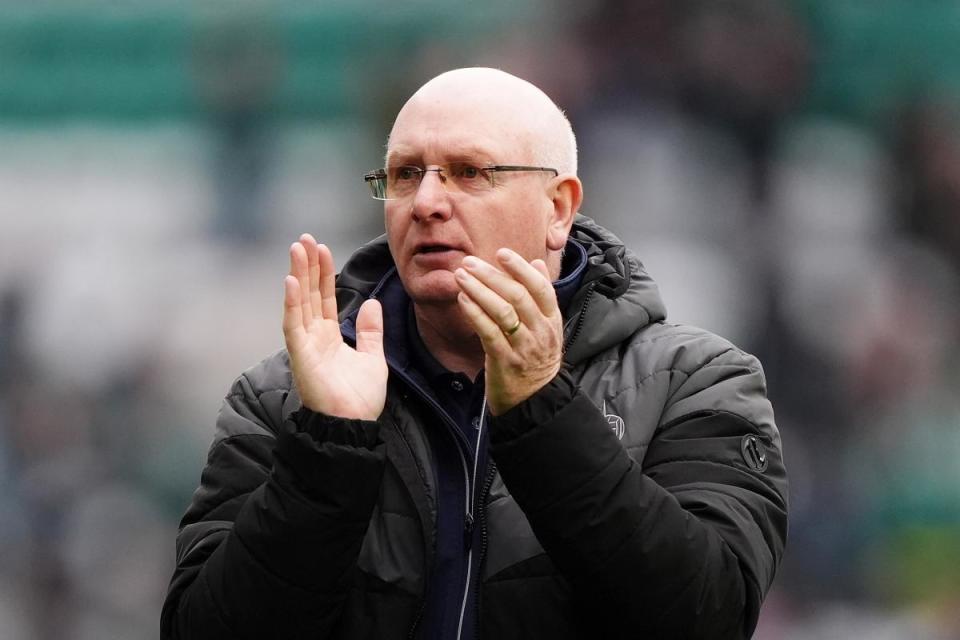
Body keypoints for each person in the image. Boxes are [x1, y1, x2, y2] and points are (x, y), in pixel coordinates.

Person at [160, 67, 787, 640]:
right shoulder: (283, 397)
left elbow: (707, 618)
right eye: (406, 174)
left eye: (470, 172)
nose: (428, 202)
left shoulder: (697, 383)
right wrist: (329, 447)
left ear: (559, 209)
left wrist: (544, 411)